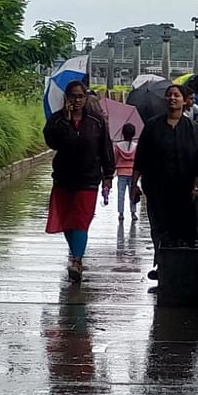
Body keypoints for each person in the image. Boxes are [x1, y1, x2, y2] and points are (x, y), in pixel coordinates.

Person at [131, 85, 198, 284]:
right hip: (156, 188)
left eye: (176, 95)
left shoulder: (193, 130)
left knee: (182, 230)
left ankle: (178, 274)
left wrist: (197, 186)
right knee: (159, 228)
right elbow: (141, 157)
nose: (172, 98)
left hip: (184, 190)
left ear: (185, 101)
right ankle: (161, 265)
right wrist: (134, 184)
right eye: (169, 95)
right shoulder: (152, 126)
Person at [43, 80, 114, 282]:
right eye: (72, 96)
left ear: (86, 98)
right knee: (67, 221)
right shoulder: (56, 120)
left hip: (88, 178)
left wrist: (108, 175)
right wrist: (65, 119)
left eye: (80, 96)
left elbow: (105, 148)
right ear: (66, 98)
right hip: (64, 177)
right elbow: (52, 142)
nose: (76, 100)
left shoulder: (96, 121)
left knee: (81, 220)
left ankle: (77, 259)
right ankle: (76, 255)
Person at [114, 123, 139, 222]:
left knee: (121, 194)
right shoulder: (136, 147)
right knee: (132, 193)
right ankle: (133, 213)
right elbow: (138, 161)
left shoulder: (118, 146)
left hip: (121, 173)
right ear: (133, 134)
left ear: (123, 133)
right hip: (133, 174)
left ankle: (121, 213)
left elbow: (115, 160)